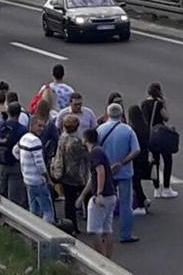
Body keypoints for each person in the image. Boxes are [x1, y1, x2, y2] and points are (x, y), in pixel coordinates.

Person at [96, 103, 141, 244]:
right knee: (126, 204)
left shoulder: (100, 130)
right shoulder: (127, 130)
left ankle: (103, 232)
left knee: (104, 202)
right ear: (121, 114)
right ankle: (126, 234)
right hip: (124, 172)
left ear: (107, 114)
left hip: (105, 172)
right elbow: (136, 150)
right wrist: (122, 162)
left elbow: (95, 150)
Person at [81, 128, 118, 259]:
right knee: (107, 230)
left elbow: (100, 171)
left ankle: (101, 260)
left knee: (93, 231)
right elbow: (93, 177)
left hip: (102, 196)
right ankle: (108, 259)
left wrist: (99, 193)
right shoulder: (100, 150)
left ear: (85, 139)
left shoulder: (94, 153)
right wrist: (83, 195)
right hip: (111, 194)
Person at [14, 115, 54, 223]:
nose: (41, 129)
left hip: (27, 180)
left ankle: (33, 232)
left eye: (43, 126)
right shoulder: (35, 141)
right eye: (39, 125)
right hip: (38, 181)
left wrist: (24, 162)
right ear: (32, 125)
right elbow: (40, 164)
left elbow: (15, 151)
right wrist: (48, 179)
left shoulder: (23, 138)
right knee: (48, 211)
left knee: (33, 209)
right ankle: (47, 233)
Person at [53, 114, 89, 234]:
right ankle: (87, 221)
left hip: (65, 174)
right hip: (77, 175)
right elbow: (85, 157)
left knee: (69, 203)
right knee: (84, 197)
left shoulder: (62, 138)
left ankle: (71, 225)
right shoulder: (77, 142)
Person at [141, 82, 178, 199]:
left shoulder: (144, 104)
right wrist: (165, 104)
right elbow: (166, 117)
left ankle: (156, 189)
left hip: (150, 135)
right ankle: (166, 188)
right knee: (167, 160)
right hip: (161, 134)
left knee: (155, 162)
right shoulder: (158, 104)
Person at [0, 101, 28, 207]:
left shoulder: (1, 126)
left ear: (8, 112)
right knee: (15, 198)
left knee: (1, 193)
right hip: (15, 166)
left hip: (1, 164)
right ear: (19, 114)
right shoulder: (23, 130)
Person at [126, 104, 152, 215]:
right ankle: (143, 199)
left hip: (135, 158)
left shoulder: (133, 130)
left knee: (135, 182)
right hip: (144, 157)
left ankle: (141, 204)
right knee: (137, 181)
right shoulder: (145, 127)